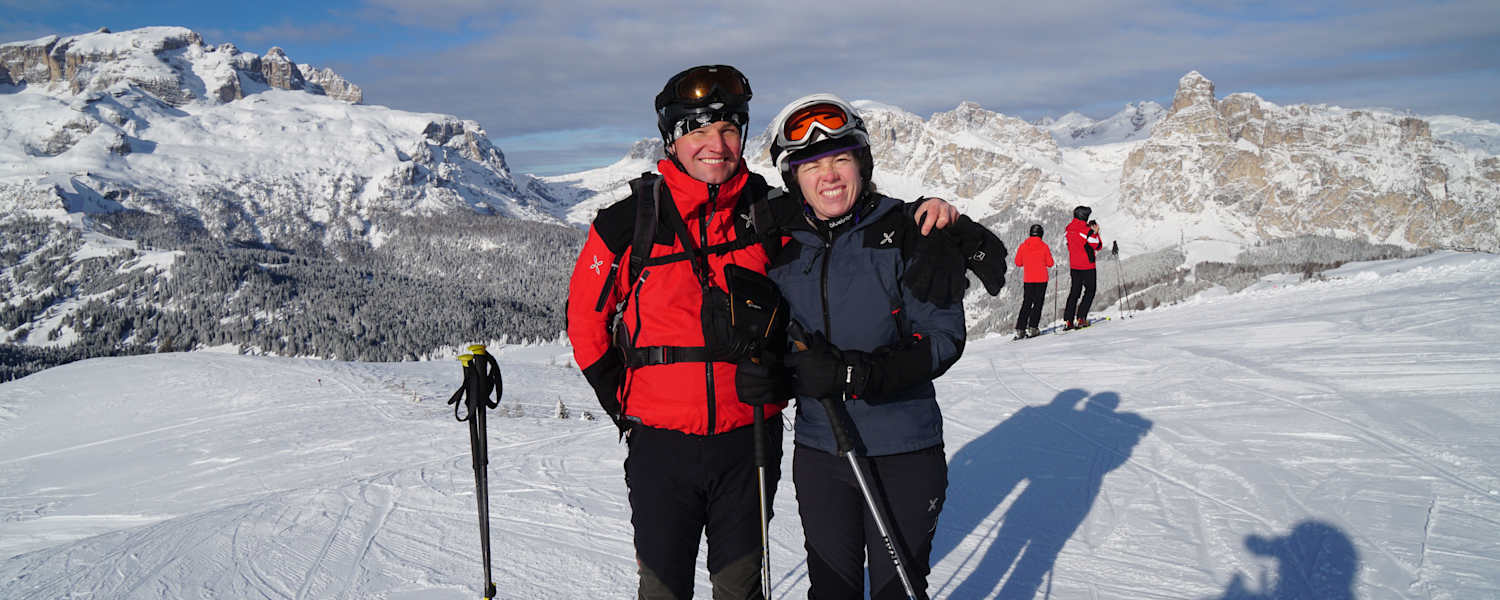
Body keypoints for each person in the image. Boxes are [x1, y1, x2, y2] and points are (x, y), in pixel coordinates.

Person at [566, 66, 961, 600]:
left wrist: (934, 215)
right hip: (661, 444)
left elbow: (846, 227)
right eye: (697, 130)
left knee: (741, 586)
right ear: (672, 141)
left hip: (748, 436)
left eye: (728, 129)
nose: (716, 144)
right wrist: (625, 400)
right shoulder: (628, 222)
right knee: (662, 588)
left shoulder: (763, 212)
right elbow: (585, 318)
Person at [760, 93, 967, 600]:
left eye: (840, 159)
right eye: (810, 166)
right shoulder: (778, 243)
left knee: (897, 590)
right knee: (831, 590)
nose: (827, 175)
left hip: (904, 449)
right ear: (794, 179)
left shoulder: (909, 232)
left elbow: (943, 339)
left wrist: (855, 375)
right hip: (820, 451)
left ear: (862, 164)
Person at [1063, 207, 1103, 329]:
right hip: (1087, 265)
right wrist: (1095, 232)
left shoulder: (1069, 229)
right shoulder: (1086, 231)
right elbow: (1097, 246)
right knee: (1090, 290)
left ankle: (1068, 320)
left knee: (1074, 292)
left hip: (1074, 266)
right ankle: (1081, 318)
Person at [1013, 223, 1053, 338]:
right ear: (1041, 234)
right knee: (1038, 303)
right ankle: (1033, 328)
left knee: (1026, 303)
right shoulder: (1044, 246)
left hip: (1028, 279)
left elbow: (1018, 262)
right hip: (1041, 279)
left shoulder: (1023, 246)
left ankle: (1020, 329)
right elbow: (1050, 263)